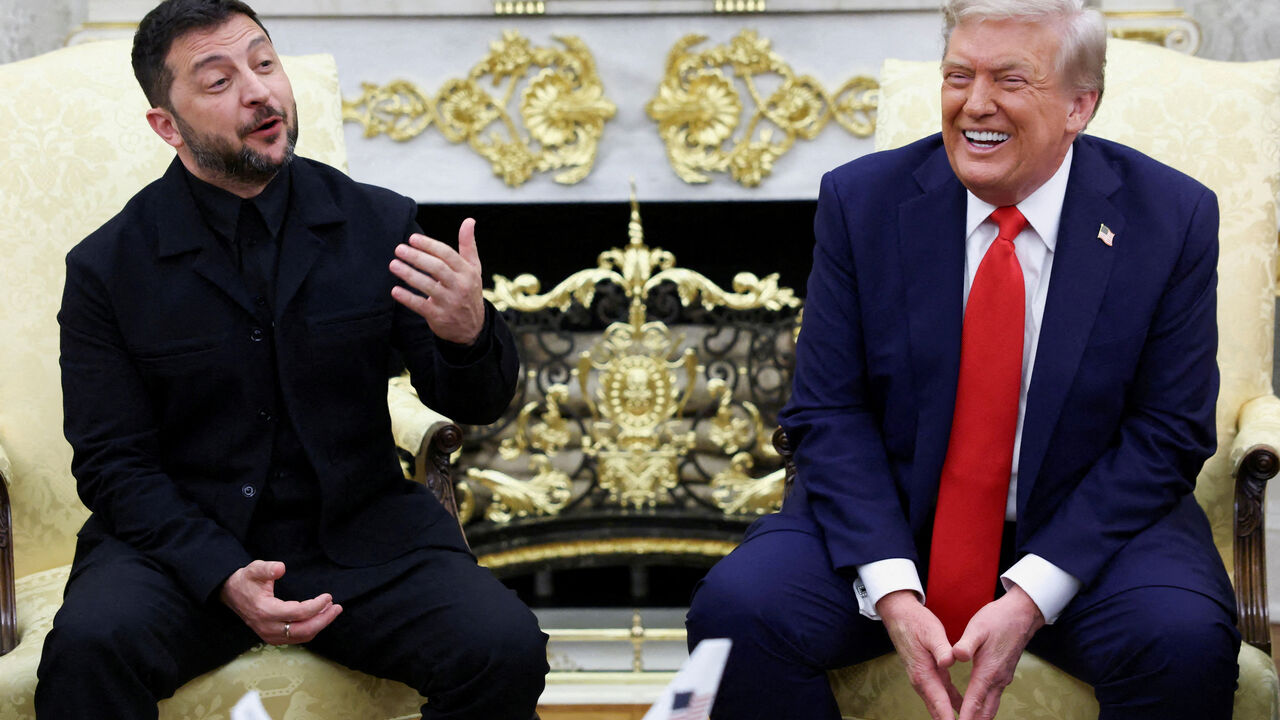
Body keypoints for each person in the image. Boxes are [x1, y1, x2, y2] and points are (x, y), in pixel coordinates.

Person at [686, 1, 1240, 718]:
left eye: (1011, 80)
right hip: (896, 517)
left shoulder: (1170, 217)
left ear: (1080, 105)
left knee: (1184, 641)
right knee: (736, 616)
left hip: (1090, 526)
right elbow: (829, 409)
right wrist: (890, 586)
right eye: (958, 76)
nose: (976, 104)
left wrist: (1033, 592)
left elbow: (1168, 430)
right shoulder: (862, 201)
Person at [37, 1, 548, 717]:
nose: (258, 91)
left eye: (265, 62)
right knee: (89, 652)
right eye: (218, 81)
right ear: (166, 126)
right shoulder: (108, 268)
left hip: (362, 543)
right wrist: (220, 573)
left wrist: (469, 333)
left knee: (504, 646)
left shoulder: (379, 224)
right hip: (183, 551)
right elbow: (112, 463)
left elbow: (479, 402)